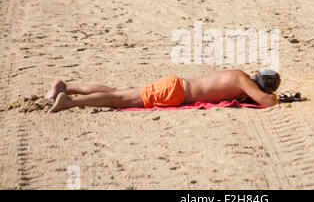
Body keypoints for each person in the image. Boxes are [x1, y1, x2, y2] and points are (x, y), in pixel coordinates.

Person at [45, 69, 281, 113]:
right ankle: (70, 101)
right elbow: (268, 102)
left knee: (119, 93)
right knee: (118, 99)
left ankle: (66, 87)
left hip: (175, 85)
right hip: (174, 93)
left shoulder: (239, 74)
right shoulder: (244, 83)